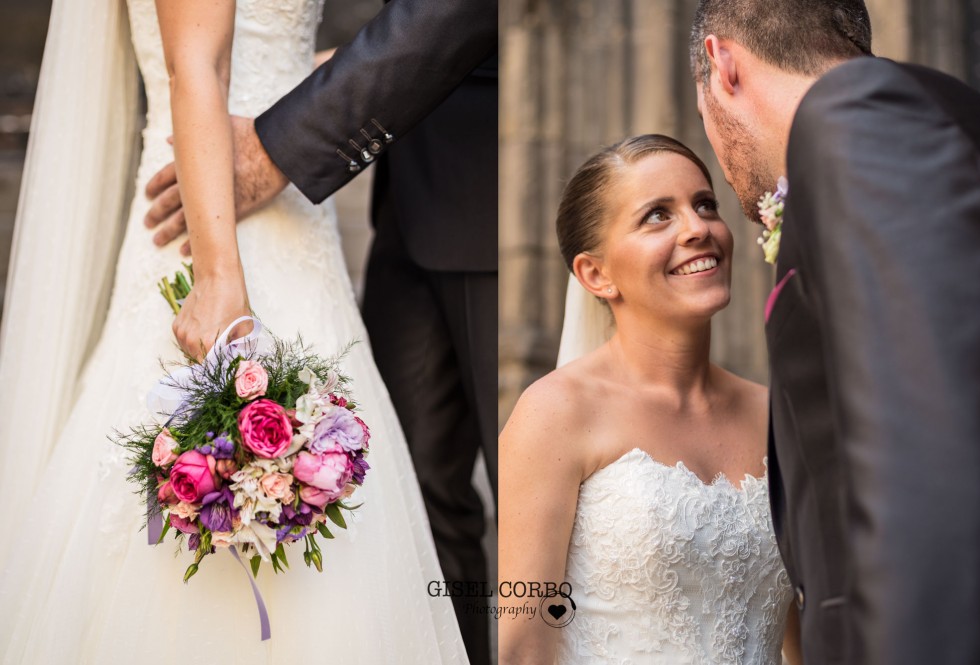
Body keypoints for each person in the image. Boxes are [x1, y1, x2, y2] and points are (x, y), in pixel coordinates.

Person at [0, 0, 474, 661]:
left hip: (288, 206)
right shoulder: (221, 269)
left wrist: (305, 108)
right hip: (214, 220)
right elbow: (197, 62)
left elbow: (273, 51)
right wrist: (221, 281)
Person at [142, 1, 498, 658]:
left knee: (530, 513)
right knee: (422, 510)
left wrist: (291, 130)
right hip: (376, 190)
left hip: (494, 177)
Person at [690, 0, 980, 662]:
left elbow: (927, 461)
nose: (717, 157)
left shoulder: (858, 117)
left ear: (723, 64)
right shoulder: (931, 113)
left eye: (702, 121)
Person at [498, 135, 800, 664]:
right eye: (657, 216)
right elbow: (524, 645)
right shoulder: (556, 414)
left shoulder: (778, 415)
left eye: (705, 205)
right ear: (597, 274)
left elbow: (803, 638)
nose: (697, 228)